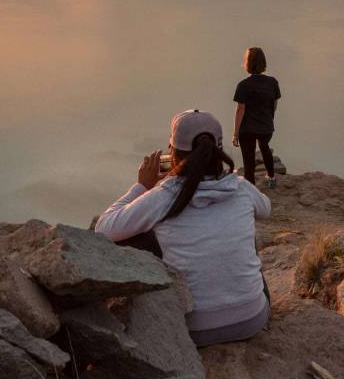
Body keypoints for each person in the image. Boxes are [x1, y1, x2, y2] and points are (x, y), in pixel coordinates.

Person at [94, 109, 271, 346]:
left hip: (192, 328)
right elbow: (265, 209)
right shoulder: (240, 187)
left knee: (138, 234)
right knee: (246, 232)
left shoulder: (164, 195)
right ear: (218, 152)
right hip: (252, 319)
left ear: (172, 152)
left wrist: (142, 188)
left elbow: (103, 228)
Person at [232, 47, 281, 188]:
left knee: (248, 160)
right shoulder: (272, 82)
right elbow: (274, 105)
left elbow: (240, 110)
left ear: (248, 64)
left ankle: (251, 188)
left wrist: (235, 133)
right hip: (266, 126)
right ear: (263, 62)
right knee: (265, 147)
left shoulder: (243, 85)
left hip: (247, 129)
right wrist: (267, 119)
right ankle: (271, 178)